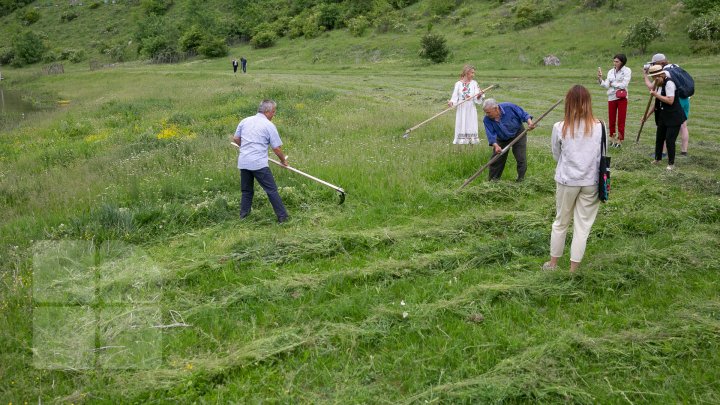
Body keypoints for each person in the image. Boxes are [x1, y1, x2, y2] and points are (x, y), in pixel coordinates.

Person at [543, 85, 604, 273]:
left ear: (568, 103)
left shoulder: (559, 127)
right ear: (588, 103)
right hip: (590, 182)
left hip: (567, 180)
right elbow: (603, 153)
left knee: (561, 222)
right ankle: (573, 269)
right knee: (582, 227)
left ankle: (553, 264)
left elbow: (556, 154)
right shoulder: (600, 126)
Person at [232, 99, 289, 223]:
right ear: (267, 111)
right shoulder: (269, 125)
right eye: (273, 112)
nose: (274, 114)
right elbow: (276, 148)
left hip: (244, 162)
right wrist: (283, 161)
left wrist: (246, 148)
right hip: (259, 164)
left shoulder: (245, 121)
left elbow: (236, 138)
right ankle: (283, 217)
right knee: (271, 190)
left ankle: (244, 217)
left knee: (246, 191)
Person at [643, 53, 690, 156]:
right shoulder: (675, 67)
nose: (653, 65)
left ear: (660, 63)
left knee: (665, 124)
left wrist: (645, 75)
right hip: (685, 98)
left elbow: (653, 88)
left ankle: (663, 152)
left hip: (673, 100)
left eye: (654, 63)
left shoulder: (665, 73)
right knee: (683, 125)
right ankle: (684, 151)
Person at [482, 98, 535, 181]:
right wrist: (496, 146)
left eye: (488, 112)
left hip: (518, 133)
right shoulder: (487, 119)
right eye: (485, 112)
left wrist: (530, 123)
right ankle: (493, 181)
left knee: (521, 158)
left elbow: (524, 115)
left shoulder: (509, 107)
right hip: (501, 138)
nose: (487, 114)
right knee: (496, 159)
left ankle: (520, 180)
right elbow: (491, 135)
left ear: (496, 108)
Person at [646, 65, 686, 171]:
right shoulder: (659, 84)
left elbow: (670, 100)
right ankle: (657, 159)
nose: (654, 80)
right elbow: (656, 103)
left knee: (669, 140)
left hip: (674, 116)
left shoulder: (669, 83)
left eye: (655, 78)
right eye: (652, 78)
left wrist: (656, 95)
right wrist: (646, 115)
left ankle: (671, 163)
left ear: (661, 75)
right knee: (659, 138)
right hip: (663, 116)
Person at [597, 53, 631, 148]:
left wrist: (613, 83)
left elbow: (624, 84)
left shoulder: (627, 71)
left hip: (621, 97)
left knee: (621, 119)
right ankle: (612, 137)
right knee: (611, 119)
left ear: (622, 62)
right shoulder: (611, 71)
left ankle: (620, 139)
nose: (615, 63)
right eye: (614, 61)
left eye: (617, 61)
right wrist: (600, 79)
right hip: (611, 97)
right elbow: (606, 85)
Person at [448, 64, 485, 145]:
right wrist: (451, 102)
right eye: (472, 73)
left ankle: (472, 140)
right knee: (461, 123)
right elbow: (454, 97)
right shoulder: (458, 84)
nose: (473, 75)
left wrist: (479, 95)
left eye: (473, 73)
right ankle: (461, 140)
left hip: (471, 107)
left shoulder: (474, 83)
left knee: (471, 123)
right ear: (466, 72)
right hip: (461, 107)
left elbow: (476, 97)